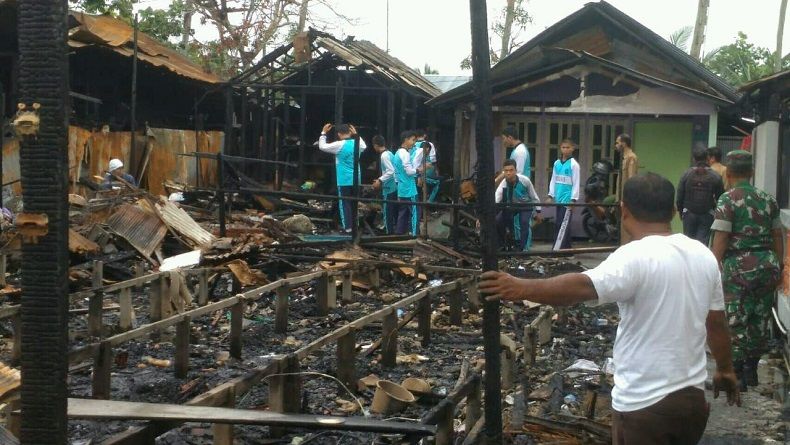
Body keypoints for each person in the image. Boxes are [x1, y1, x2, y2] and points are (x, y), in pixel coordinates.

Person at [480, 172, 740, 445]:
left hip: (644, 403)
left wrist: (520, 287)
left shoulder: (634, 256)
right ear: (674, 211)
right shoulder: (703, 255)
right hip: (691, 401)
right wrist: (724, 369)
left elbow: (583, 287)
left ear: (623, 210)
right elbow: (716, 322)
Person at [710, 150, 784, 390]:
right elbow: (777, 235)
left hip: (740, 266)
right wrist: (779, 265)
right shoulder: (768, 199)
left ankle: (738, 374)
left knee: (736, 318)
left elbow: (721, 237)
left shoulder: (727, 199)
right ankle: (752, 370)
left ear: (728, 173)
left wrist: (712, 267)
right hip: (767, 263)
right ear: (751, 172)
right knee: (760, 317)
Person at [318, 123, 367, 233]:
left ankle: (348, 228)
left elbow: (322, 147)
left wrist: (323, 133)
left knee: (345, 204)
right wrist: (356, 135)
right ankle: (355, 226)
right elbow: (364, 146)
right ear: (350, 132)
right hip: (356, 179)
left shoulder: (339, 145)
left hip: (344, 179)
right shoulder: (358, 143)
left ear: (339, 134)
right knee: (355, 203)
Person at [676, 148, 724, 245]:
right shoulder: (715, 176)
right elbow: (721, 198)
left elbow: (680, 194)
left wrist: (681, 211)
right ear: (707, 158)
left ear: (694, 159)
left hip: (689, 212)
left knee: (688, 243)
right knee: (702, 243)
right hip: (707, 213)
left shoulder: (686, 174)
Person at [495, 159, 541, 251]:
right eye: (506, 171)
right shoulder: (504, 183)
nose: (508, 173)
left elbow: (534, 196)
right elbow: (497, 197)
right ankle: (502, 245)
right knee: (498, 221)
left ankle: (522, 248)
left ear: (515, 171)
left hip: (526, 205)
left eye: (511, 170)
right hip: (512, 205)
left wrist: (538, 211)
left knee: (524, 222)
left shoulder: (525, 180)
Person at [547, 139, 580, 249]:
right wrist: (550, 195)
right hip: (558, 198)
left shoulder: (574, 164)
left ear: (572, 148)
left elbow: (576, 182)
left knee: (563, 225)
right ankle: (564, 248)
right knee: (559, 223)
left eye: (568, 147)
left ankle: (560, 249)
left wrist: (573, 199)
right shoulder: (556, 163)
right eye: (563, 147)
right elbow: (553, 179)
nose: (565, 149)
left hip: (567, 199)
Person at [393, 130, 418, 235]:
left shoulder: (397, 153)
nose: (414, 143)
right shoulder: (405, 154)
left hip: (402, 188)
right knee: (414, 212)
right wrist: (419, 170)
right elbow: (409, 172)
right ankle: (414, 234)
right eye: (413, 140)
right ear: (406, 140)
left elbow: (396, 174)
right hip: (409, 189)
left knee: (403, 212)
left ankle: (399, 233)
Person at [372, 135, 397, 234]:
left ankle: (388, 232)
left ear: (376, 145)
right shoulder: (390, 153)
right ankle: (392, 230)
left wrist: (380, 180)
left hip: (388, 187)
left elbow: (391, 171)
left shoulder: (384, 156)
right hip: (393, 186)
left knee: (387, 211)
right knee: (393, 210)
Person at [615, 134, 638, 244]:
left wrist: (626, 199)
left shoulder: (631, 157)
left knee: (626, 226)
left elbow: (631, 179)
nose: (616, 145)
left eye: (617, 142)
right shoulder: (624, 158)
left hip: (626, 199)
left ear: (624, 144)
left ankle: (626, 246)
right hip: (621, 198)